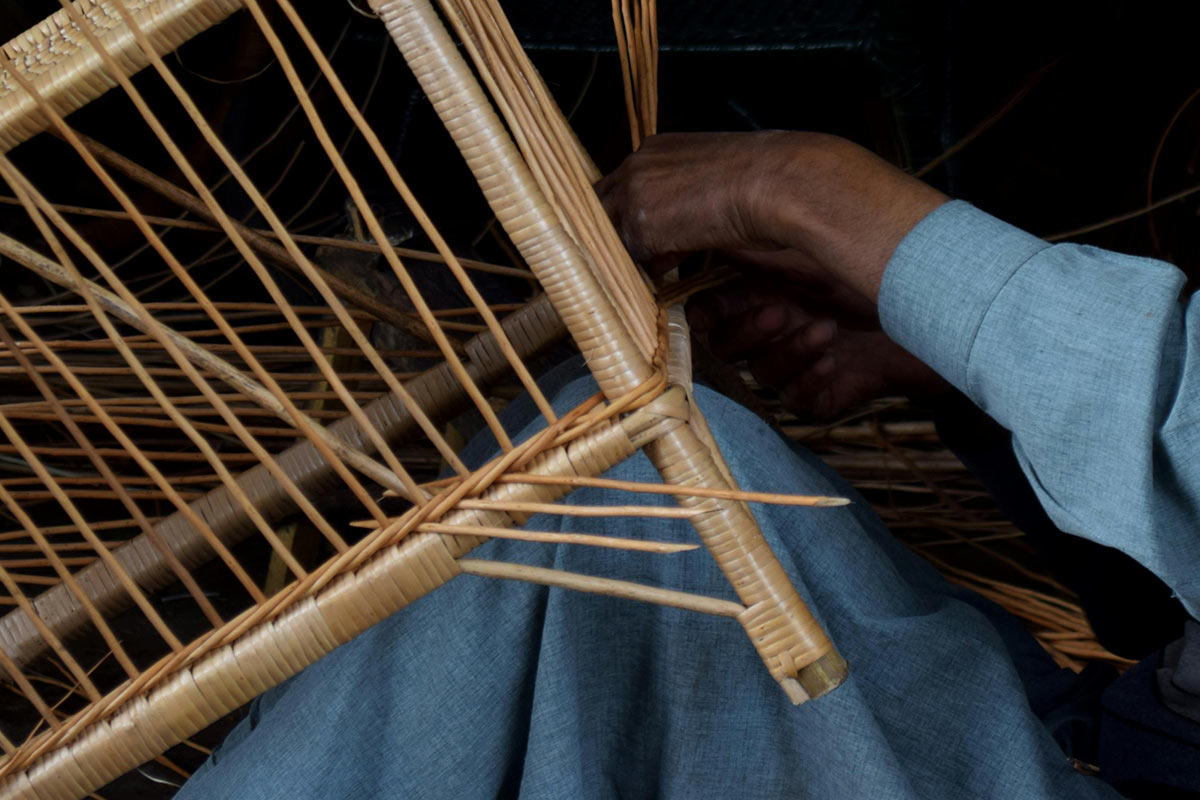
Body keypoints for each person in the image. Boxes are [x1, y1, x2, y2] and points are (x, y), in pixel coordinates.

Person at [177, 132, 1200, 799]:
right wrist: (951, 374)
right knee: (629, 457)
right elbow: (1166, 596)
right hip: (1116, 725)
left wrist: (807, 188)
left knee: (631, 486)